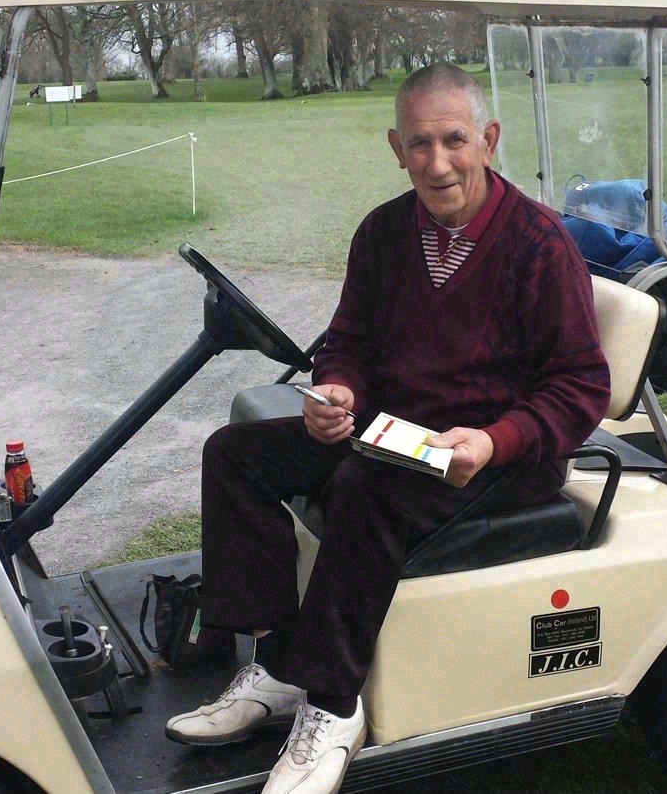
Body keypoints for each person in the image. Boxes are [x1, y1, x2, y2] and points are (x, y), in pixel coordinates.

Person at [166, 63, 611, 794]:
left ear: (489, 139)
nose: (438, 163)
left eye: (454, 140)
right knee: (236, 453)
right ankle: (277, 665)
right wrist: (338, 388)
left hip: (498, 453)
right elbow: (350, 341)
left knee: (366, 484)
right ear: (396, 148)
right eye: (419, 144)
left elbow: (580, 385)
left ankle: (333, 706)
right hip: (395, 433)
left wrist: (493, 440)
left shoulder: (539, 244)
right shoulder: (382, 232)